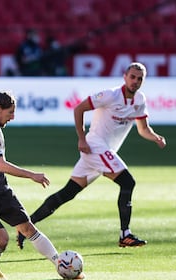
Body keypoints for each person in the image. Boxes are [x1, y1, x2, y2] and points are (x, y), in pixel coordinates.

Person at [17, 62, 167, 249]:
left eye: (139, 79)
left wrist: (155, 138)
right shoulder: (110, 95)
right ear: (125, 76)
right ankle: (125, 234)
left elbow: (143, 129)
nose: (135, 81)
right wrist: (82, 138)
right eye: (132, 77)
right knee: (128, 182)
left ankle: (25, 227)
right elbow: (79, 108)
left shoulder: (140, 100)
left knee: (67, 193)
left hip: (103, 153)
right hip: (95, 146)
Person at [0, 91, 63, 280]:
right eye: (10, 112)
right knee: (2, 240)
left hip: (0, 189)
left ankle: (60, 264)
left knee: (28, 229)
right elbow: (1, 165)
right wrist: (32, 175)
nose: (13, 117)